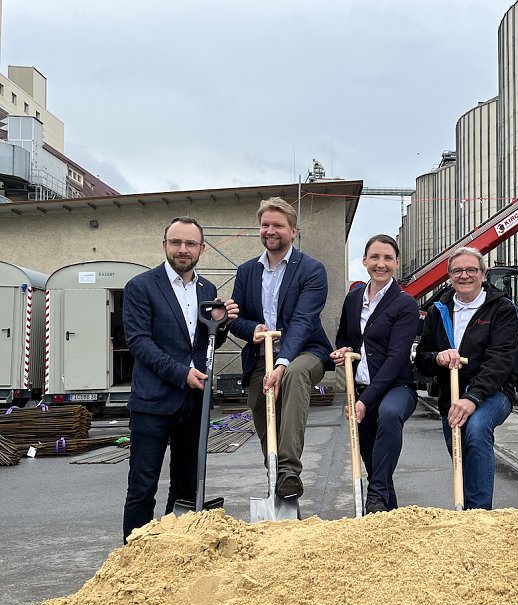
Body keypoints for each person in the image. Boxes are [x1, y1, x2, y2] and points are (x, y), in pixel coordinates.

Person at [122, 217, 238, 542]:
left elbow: (207, 344)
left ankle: (175, 552)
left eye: (190, 244)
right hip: (153, 403)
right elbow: (139, 343)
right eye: (176, 242)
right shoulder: (141, 287)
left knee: (186, 486)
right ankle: (135, 560)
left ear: (202, 248)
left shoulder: (207, 290)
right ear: (164, 246)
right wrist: (181, 373)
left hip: (194, 403)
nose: (182, 250)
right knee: (142, 488)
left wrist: (222, 324)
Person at [229, 197, 333, 501]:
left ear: (293, 231)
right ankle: (279, 479)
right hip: (261, 356)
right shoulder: (247, 271)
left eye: (278, 225)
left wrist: (283, 363)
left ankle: (289, 470)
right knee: (262, 413)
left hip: (305, 351)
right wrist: (254, 330)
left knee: (295, 375)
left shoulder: (311, 270)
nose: (270, 230)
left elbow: (303, 320)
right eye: (265, 225)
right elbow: (237, 321)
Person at [414, 247, 518, 510]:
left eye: (472, 270)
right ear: (449, 276)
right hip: (451, 396)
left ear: (484, 274)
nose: (465, 275)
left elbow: (501, 360)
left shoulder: (501, 309)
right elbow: (422, 358)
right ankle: (466, 511)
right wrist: (438, 357)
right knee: (459, 448)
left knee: (476, 429)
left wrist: (473, 397)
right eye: (458, 270)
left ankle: (478, 515)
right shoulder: (439, 310)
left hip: (493, 391)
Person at [330, 235, 419, 513]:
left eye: (388, 258)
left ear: (397, 263)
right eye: (375, 257)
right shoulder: (354, 298)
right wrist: (342, 351)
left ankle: (377, 495)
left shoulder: (405, 304)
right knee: (375, 463)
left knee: (390, 415)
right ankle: (387, 517)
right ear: (365, 260)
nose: (381, 264)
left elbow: (395, 359)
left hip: (396, 388)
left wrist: (365, 401)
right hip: (360, 390)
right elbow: (344, 336)